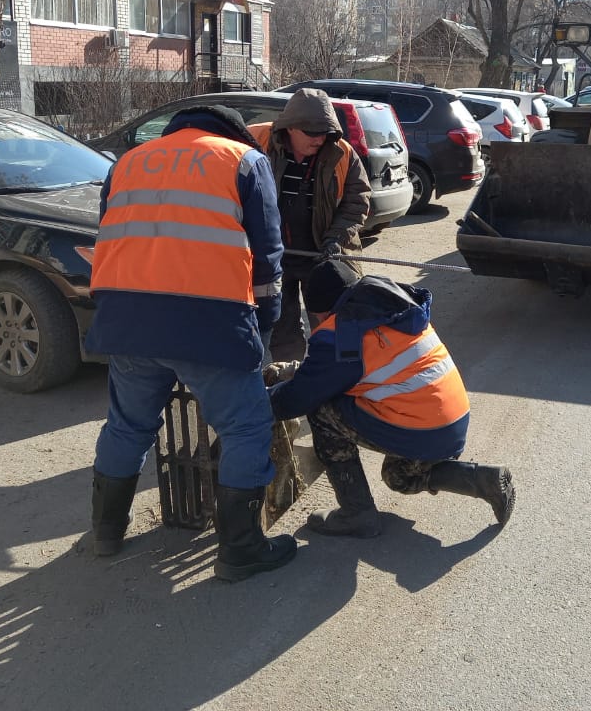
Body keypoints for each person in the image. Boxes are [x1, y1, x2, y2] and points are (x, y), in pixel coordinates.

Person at [85, 105, 296, 584]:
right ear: (235, 133)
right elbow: (266, 258)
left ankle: (106, 530)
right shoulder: (244, 160)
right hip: (210, 321)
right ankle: (241, 549)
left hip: (127, 320)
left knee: (127, 427)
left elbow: (112, 234)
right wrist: (262, 331)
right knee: (244, 429)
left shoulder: (129, 161)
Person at [265, 260, 515, 538]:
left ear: (322, 309)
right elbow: (346, 370)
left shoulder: (341, 332)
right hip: (450, 423)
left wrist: (256, 404)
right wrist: (293, 372)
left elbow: (300, 397)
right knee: (399, 476)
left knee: (322, 410)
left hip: (421, 429)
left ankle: (356, 514)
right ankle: (482, 480)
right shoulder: (390, 310)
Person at [249, 88, 371, 362]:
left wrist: (335, 241)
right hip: (273, 258)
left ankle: (329, 381)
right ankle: (287, 378)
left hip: (323, 254)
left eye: (324, 133)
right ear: (290, 128)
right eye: (312, 133)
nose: (319, 139)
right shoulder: (257, 141)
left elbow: (357, 203)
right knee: (282, 325)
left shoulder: (342, 154)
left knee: (333, 326)